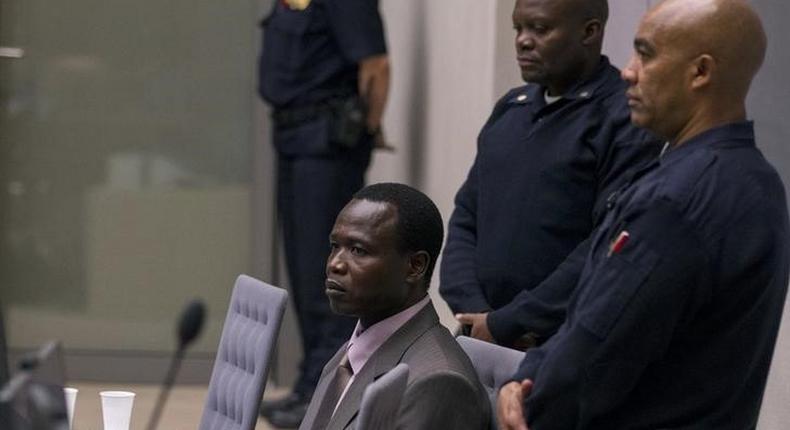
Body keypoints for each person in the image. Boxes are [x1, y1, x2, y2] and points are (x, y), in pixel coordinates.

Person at [497, 0, 789, 428]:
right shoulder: (758, 180)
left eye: (645, 54)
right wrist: (527, 374)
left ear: (700, 72)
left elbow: (593, 352)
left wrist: (525, 394)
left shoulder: (675, 201)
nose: (628, 71)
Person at [440, 0, 659, 349]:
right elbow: (467, 215)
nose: (523, 41)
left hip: (561, 343)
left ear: (590, 32)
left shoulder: (623, 117)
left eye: (540, 29)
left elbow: (608, 240)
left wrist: (514, 320)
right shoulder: (512, 109)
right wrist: (476, 312)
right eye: (518, 28)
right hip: (480, 333)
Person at [257, 0, 391, 426]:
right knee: (302, 268)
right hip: (293, 137)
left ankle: (325, 394)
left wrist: (364, 131)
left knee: (328, 271)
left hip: (327, 147)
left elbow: (376, 66)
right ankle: (306, 384)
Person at [299, 183, 489, 430]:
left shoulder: (437, 383)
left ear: (415, 266)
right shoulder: (355, 348)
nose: (335, 264)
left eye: (358, 250)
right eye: (335, 246)